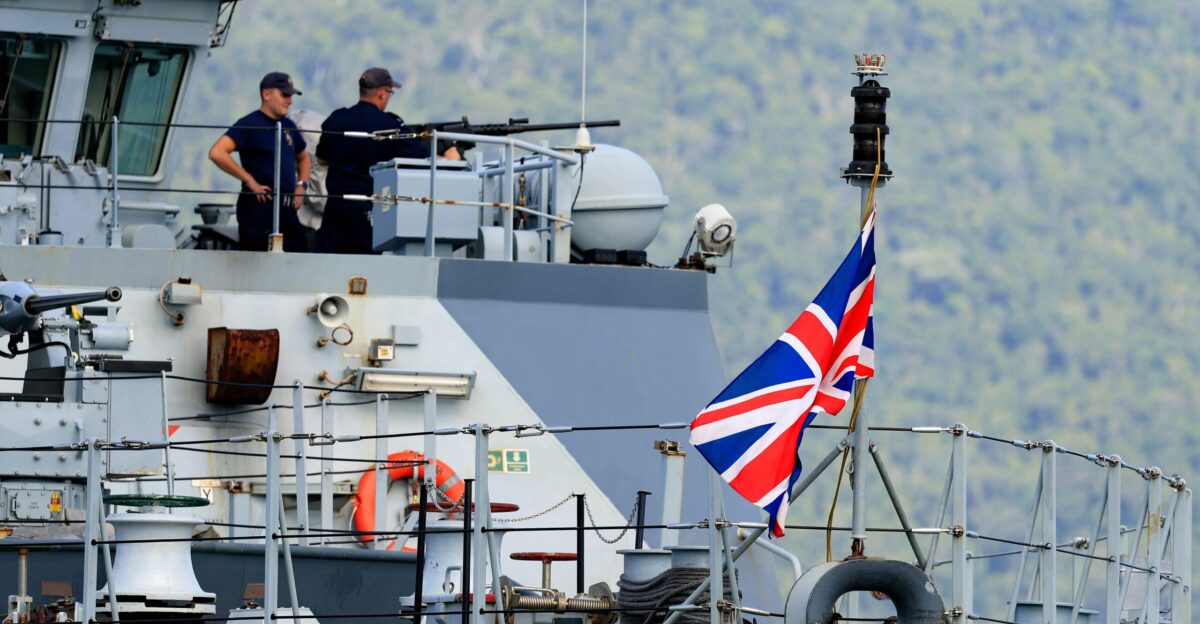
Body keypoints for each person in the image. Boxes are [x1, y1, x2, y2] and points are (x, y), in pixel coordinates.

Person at [316, 68, 457, 254]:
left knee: (329, 262)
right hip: (367, 208)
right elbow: (421, 158)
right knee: (368, 263)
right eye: (390, 92)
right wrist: (450, 157)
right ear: (382, 93)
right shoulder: (389, 125)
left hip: (335, 208)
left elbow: (321, 158)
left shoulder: (336, 119)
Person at [208, 72, 312, 252]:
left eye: (291, 96)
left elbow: (304, 158)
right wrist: (250, 180)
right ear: (266, 94)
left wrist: (301, 186)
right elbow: (217, 152)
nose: (290, 101)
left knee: (299, 254)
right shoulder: (249, 124)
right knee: (256, 259)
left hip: (287, 209)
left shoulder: (289, 126)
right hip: (258, 207)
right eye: (285, 95)